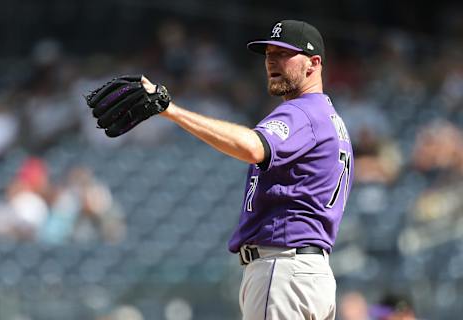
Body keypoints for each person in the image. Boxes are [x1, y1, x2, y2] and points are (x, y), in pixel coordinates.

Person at [87, 19, 354, 320]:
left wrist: (169, 109)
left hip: (283, 269)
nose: (272, 62)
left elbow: (254, 147)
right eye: (269, 54)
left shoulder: (303, 111)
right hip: (311, 273)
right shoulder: (331, 119)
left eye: (284, 54)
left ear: (313, 63)